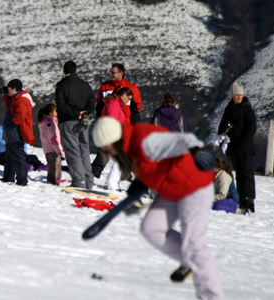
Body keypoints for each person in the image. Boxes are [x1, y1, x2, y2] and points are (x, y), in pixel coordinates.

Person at [92, 116, 223, 300]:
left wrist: (196, 151)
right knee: (151, 228)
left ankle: (211, 295)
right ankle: (191, 262)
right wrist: (139, 185)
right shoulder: (129, 147)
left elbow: (183, 139)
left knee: (194, 246)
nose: (108, 152)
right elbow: (151, 165)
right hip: (171, 189)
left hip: (195, 187)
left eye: (107, 147)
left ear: (116, 140)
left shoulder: (146, 142)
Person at [92, 63, 142, 178]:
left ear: (121, 73)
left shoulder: (132, 88)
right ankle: (94, 173)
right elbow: (99, 106)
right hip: (109, 126)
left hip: (126, 126)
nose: (111, 74)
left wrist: (134, 125)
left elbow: (136, 109)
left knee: (123, 153)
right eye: (111, 72)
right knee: (105, 151)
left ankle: (125, 176)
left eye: (113, 72)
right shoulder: (104, 87)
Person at [55, 61, 95, 189]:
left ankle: (79, 181)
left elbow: (61, 106)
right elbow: (91, 102)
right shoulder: (85, 85)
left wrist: (75, 113)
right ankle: (89, 181)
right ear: (76, 71)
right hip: (84, 122)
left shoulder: (61, 85)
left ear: (64, 72)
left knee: (72, 151)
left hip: (69, 121)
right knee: (84, 150)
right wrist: (85, 113)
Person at [218, 82, 256, 214]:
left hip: (245, 149)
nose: (238, 97)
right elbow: (222, 126)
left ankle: (249, 198)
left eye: (240, 95)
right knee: (239, 174)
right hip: (234, 149)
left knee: (247, 174)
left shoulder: (247, 110)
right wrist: (222, 137)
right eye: (236, 95)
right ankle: (241, 198)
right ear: (232, 97)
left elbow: (251, 127)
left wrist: (242, 141)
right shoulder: (229, 110)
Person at [0, 79, 35, 186]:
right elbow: (9, 107)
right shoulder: (15, 99)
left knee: (18, 157)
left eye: (9, 89)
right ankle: (8, 177)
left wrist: (12, 123)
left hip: (16, 134)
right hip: (11, 134)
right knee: (10, 157)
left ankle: (22, 180)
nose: (8, 90)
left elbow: (21, 115)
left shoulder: (21, 100)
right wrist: (6, 96)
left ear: (15, 89)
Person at [99, 87, 130, 191]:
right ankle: (112, 184)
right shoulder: (113, 103)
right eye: (128, 98)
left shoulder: (117, 103)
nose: (128, 101)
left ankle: (111, 184)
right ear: (124, 95)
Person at [37, 103, 65, 185]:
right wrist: (58, 149)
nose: (57, 113)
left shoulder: (46, 122)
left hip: (48, 147)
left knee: (55, 163)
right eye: (55, 111)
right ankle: (53, 179)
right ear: (51, 113)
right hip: (52, 148)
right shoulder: (50, 124)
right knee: (54, 163)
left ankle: (57, 177)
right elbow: (53, 138)